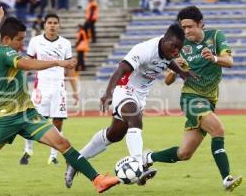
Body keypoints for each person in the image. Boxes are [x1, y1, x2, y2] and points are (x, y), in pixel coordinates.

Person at [0, 7, 119, 194]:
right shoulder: (6, 53)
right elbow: (27, 64)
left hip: (28, 114)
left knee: (63, 144)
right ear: (7, 40)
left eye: (23, 39)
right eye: (19, 39)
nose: (22, 43)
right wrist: (57, 62)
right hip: (5, 119)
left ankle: (98, 180)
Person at [65, 23, 199, 188]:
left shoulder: (168, 50)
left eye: (179, 48)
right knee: (135, 119)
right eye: (174, 46)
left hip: (140, 96)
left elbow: (168, 61)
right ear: (164, 40)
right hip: (124, 88)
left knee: (114, 135)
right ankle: (139, 166)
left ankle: (76, 161)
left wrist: (181, 72)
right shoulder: (144, 49)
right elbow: (120, 69)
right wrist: (108, 93)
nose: (176, 51)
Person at [143, 6, 242, 192]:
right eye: (183, 27)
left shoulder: (215, 36)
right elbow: (167, 80)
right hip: (191, 99)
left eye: (190, 27)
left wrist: (213, 58)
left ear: (200, 24)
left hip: (209, 101)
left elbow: (229, 61)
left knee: (184, 153)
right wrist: (174, 69)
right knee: (218, 129)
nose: (186, 31)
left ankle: (148, 158)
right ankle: (227, 179)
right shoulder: (180, 47)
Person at [19, 13, 79, 165]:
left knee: (58, 122)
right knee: (35, 121)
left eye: (55, 23)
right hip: (41, 88)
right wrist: (22, 84)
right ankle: (27, 150)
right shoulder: (36, 41)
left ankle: (53, 156)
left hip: (59, 88)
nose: (52, 25)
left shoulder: (65, 43)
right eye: (49, 22)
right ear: (44, 25)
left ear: (59, 25)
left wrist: (75, 90)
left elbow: (70, 68)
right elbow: (27, 63)